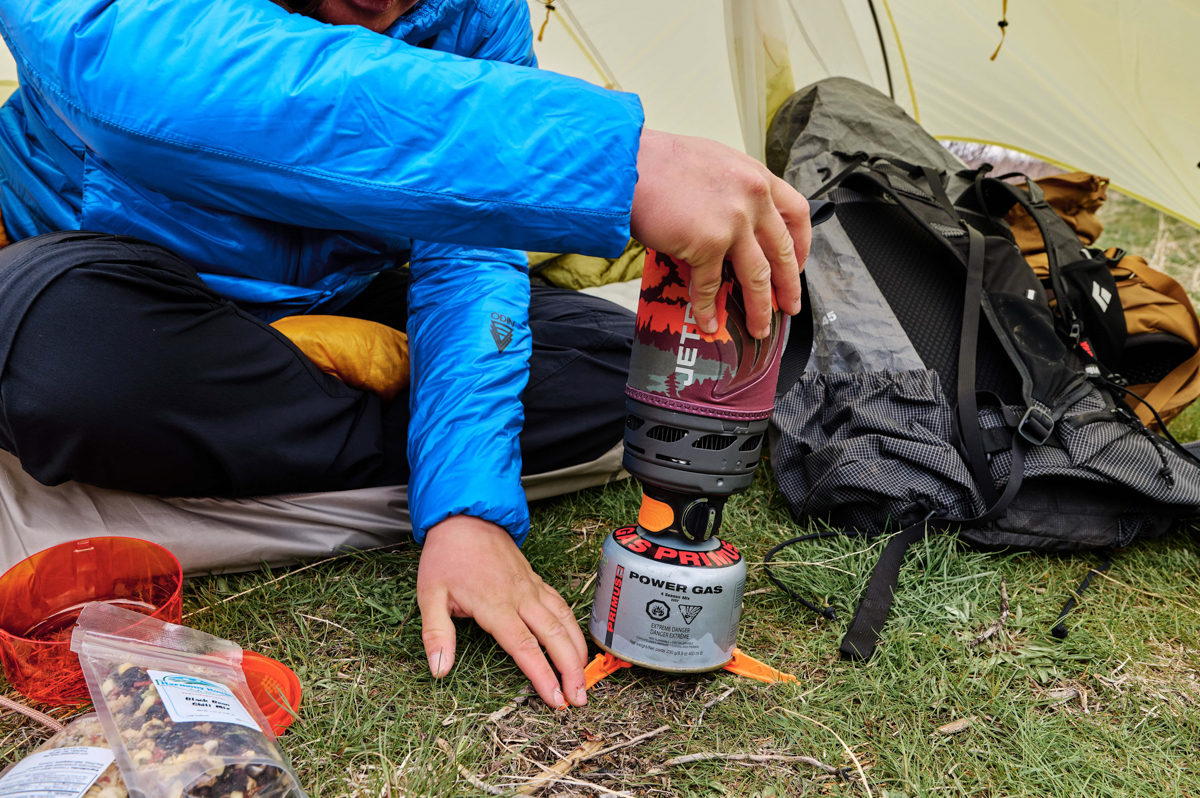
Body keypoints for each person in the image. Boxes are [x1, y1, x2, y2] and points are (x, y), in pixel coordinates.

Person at [0, 0, 812, 709]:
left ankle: (227, 416)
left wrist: (466, 506)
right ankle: (248, 389)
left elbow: (471, 237)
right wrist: (618, 161)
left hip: (328, 293)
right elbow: (148, 73)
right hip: (111, 277)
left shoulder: (475, 10)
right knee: (69, 366)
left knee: (605, 369)